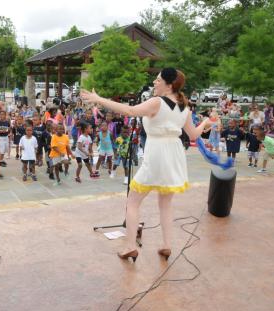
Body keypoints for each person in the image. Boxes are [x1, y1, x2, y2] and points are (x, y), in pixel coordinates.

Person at [81, 67, 211, 263]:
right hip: (174, 154)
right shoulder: (184, 107)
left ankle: (130, 246)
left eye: (157, 80)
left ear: (168, 85)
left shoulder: (157, 102)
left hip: (157, 152)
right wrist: (206, 124)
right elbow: (193, 135)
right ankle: (167, 245)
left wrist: (99, 99)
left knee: (133, 201)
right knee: (166, 204)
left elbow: (130, 111)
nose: (154, 83)